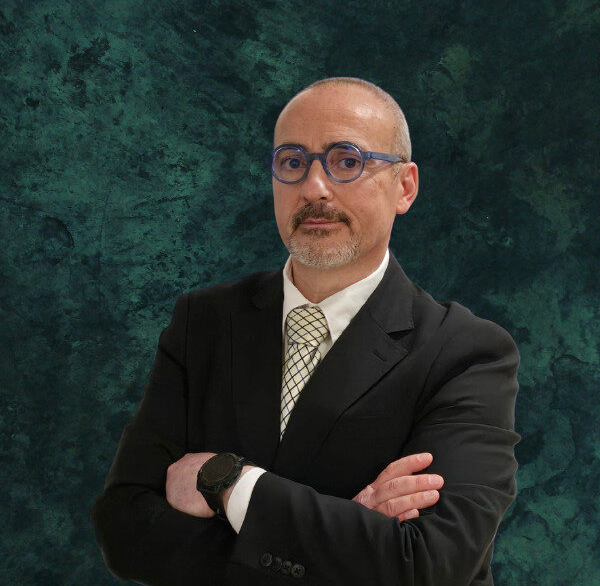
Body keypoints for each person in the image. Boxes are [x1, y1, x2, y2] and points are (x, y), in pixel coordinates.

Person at [90, 77, 521, 586]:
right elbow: (124, 530)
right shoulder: (203, 322)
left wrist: (229, 482)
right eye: (293, 162)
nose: (314, 188)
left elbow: (427, 566)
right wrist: (348, 539)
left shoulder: (467, 353)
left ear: (404, 187)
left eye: (347, 161)